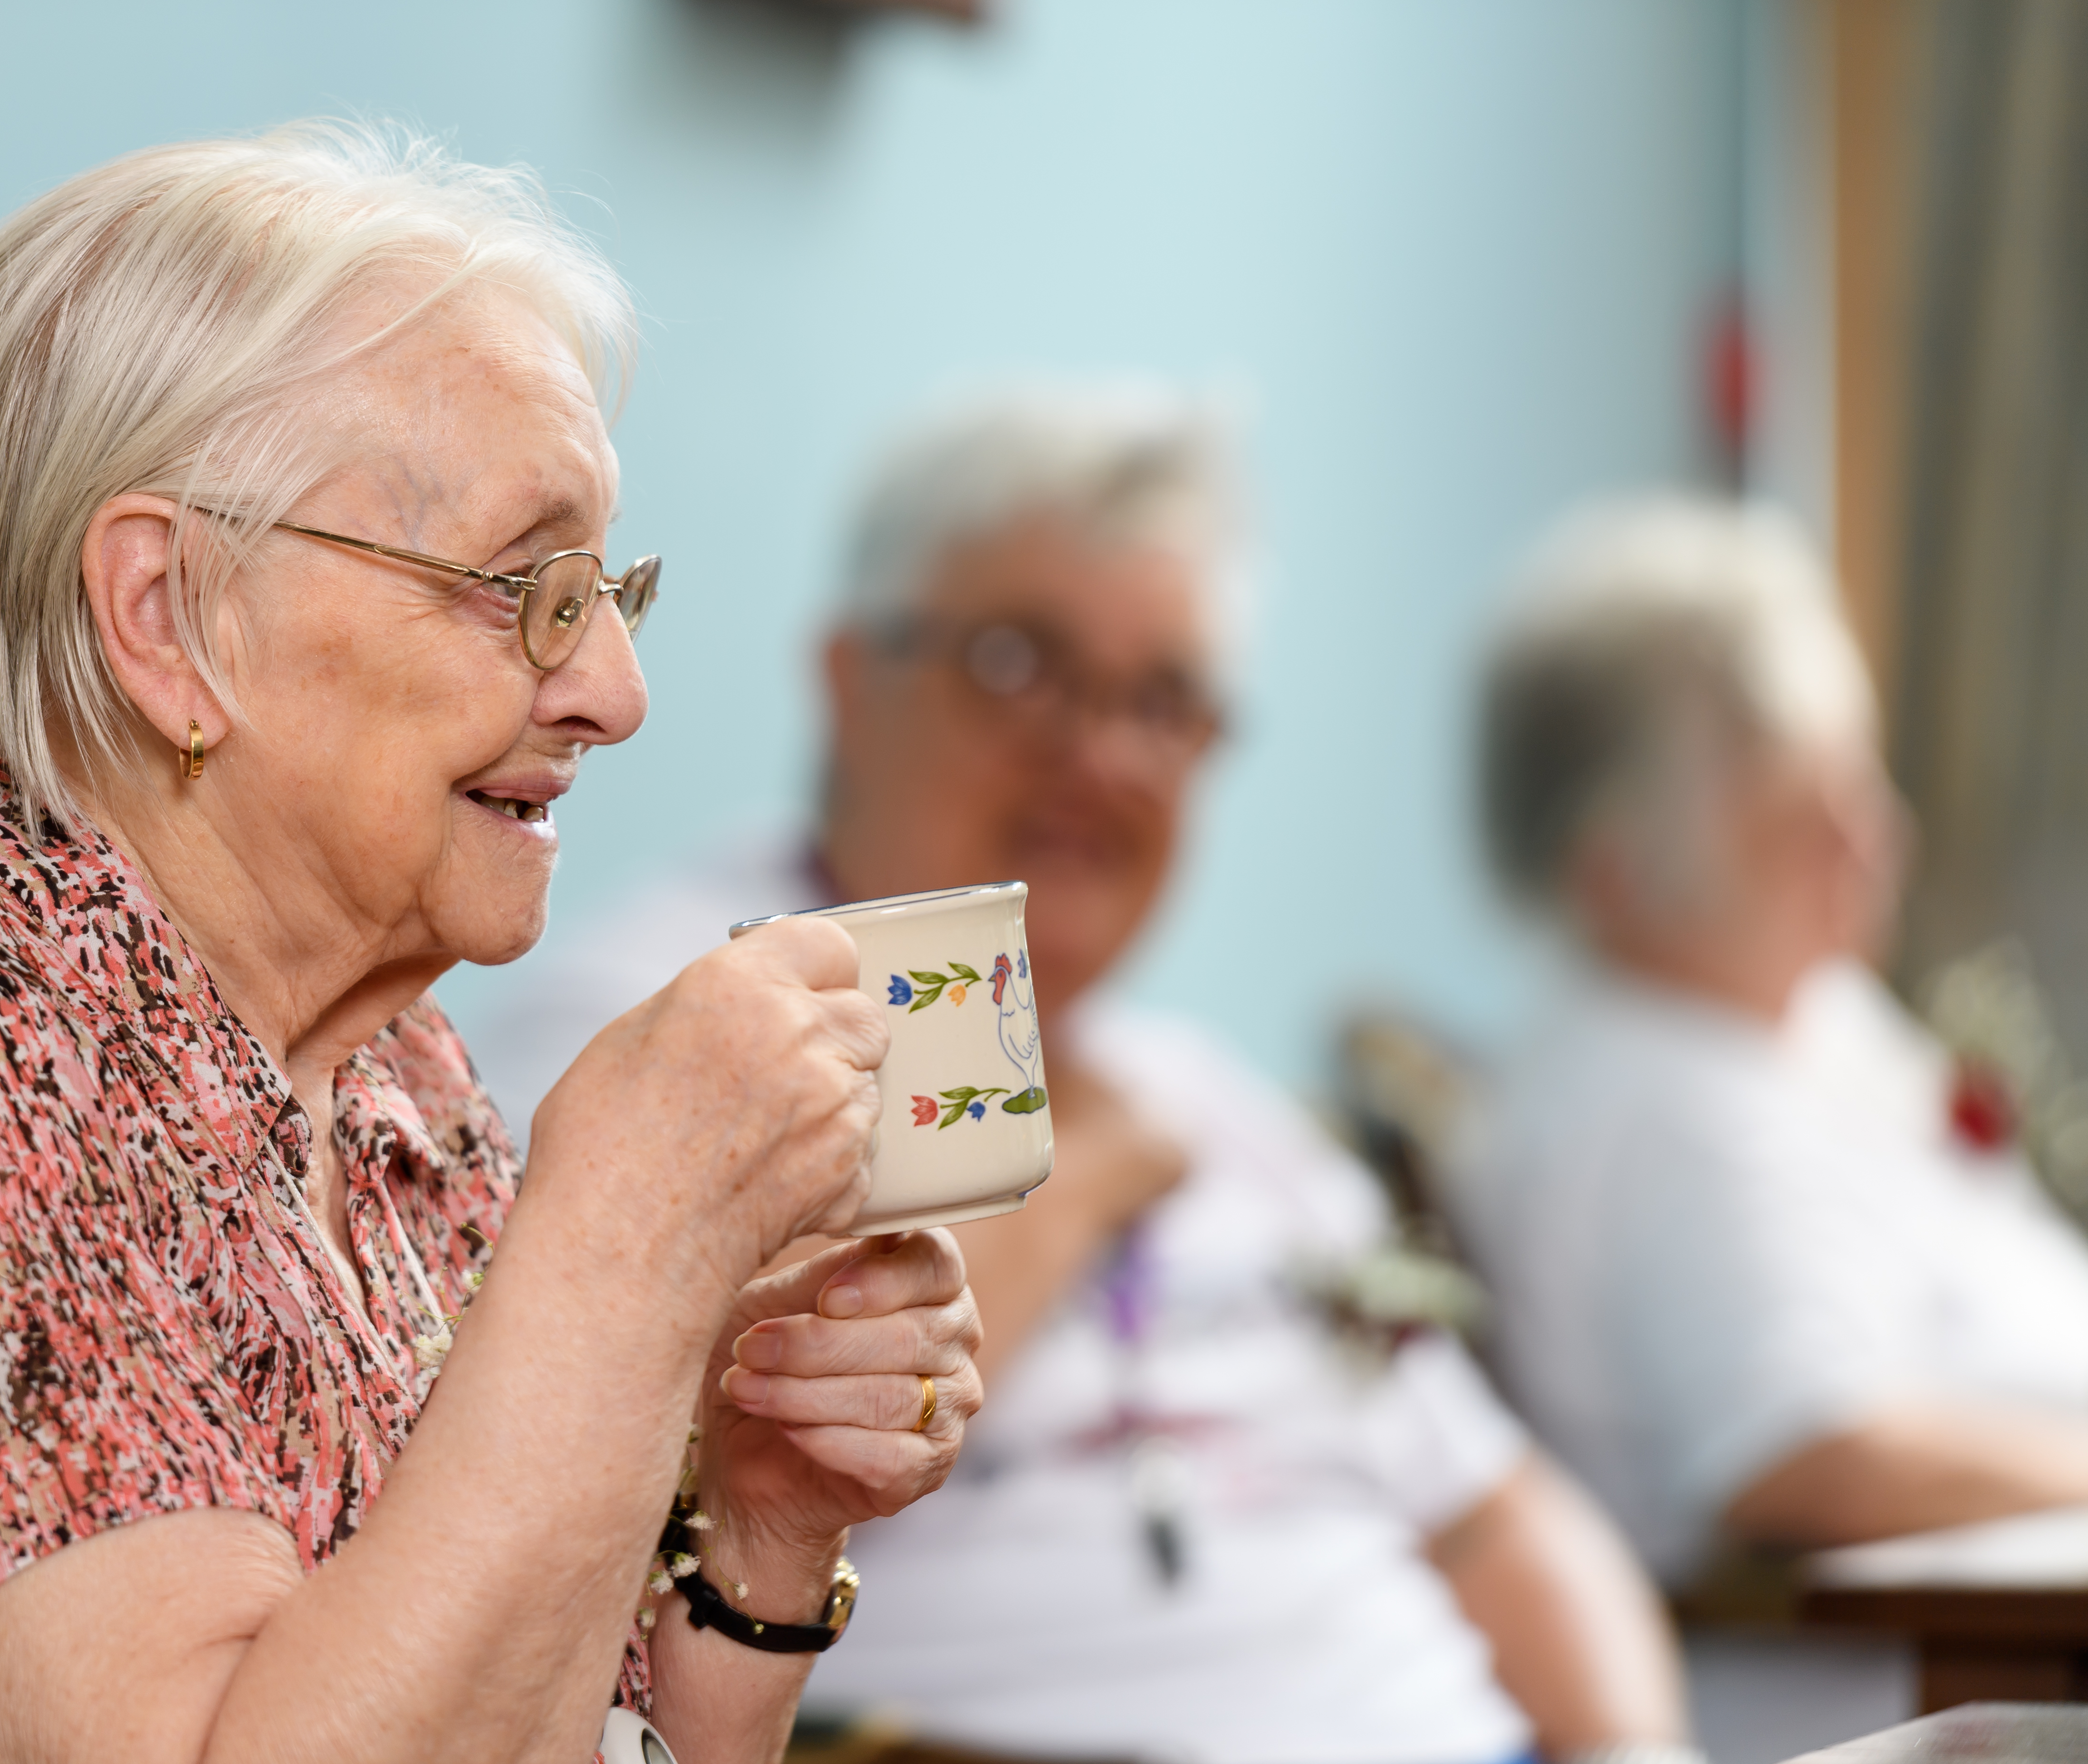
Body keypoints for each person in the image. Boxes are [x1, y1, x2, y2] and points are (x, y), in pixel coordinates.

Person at [0, 124, 985, 1764]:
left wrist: (764, 1524)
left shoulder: (395, 1075)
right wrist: (625, 1231)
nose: (614, 692)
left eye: (607, 589)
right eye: (523, 586)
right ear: (169, 619)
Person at [478, 386, 1692, 1764]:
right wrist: (1087, 1172)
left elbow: (1499, 1515)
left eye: (1165, 700)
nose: (1102, 752)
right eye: (1019, 663)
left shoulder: (1200, 1092)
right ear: (849, 678)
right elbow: (697, 1450)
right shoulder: (665, 1014)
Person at [1453, 496, 2088, 1590]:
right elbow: (1813, 1452)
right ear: (1614, 874)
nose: (1876, 841)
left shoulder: (1807, 1014)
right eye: (1802, 816)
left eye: (1861, 782)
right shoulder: (1665, 1110)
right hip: (1955, 1662)